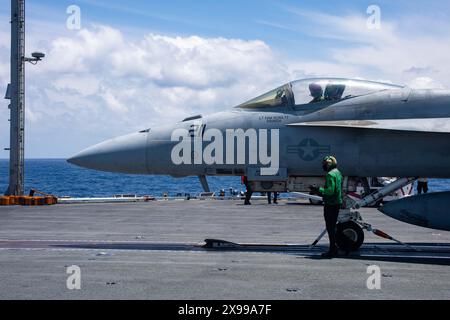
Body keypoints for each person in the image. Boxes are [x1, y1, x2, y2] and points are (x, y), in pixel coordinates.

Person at [309, 156, 343, 258]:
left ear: (328, 164)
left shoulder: (330, 175)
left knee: (330, 227)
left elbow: (329, 191)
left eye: (324, 164)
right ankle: (335, 247)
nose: (323, 166)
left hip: (331, 204)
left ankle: (333, 250)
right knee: (333, 227)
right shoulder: (338, 172)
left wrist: (318, 190)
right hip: (337, 202)